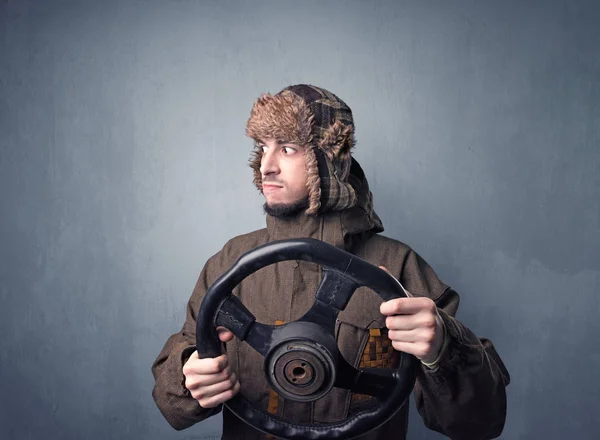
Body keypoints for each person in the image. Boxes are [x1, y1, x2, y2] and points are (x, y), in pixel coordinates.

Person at [151, 84, 510, 439]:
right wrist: (190, 376)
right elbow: (171, 405)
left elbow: (480, 423)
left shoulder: (398, 267)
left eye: (287, 148)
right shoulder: (231, 263)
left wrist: (443, 348)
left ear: (328, 159)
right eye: (263, 147)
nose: (267, 165)